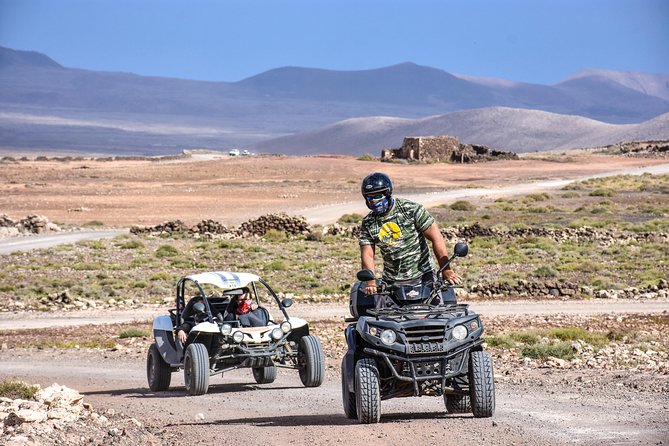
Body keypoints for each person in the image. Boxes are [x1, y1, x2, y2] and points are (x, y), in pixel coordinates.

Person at [358, 172, 461, 304]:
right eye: (369, 197)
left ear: (388, 193)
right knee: (383, 321)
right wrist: (371, 282)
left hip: (424, 277)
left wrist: (446, 269)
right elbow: (367, 254)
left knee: (438, 317)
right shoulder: (368, 223)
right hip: (391, 283)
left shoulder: (410, 210)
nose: (373, 201)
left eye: (378, 196)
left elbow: (436, 238)